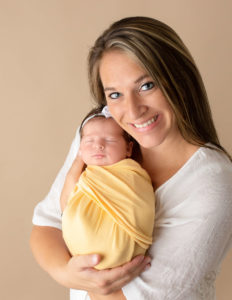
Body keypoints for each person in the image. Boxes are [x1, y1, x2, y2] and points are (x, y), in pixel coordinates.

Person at [30, 16, 232, 300]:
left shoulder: (213, 184)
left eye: (146, 86)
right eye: (115, 94)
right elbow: (47, 223)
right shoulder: (101, 133)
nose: (133, 111)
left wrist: (86, 279)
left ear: (178, 79)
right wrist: (66, 272)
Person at [61, 106, 155, 272]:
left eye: (110, 140)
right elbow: (66, 203)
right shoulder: (84, 174)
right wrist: (77, 163)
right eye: (89, 141)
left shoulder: (132, 174)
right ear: (80, 148)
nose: (99, 146)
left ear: (129, 148)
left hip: (123, 250)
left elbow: (139, 205)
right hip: (80, 255)